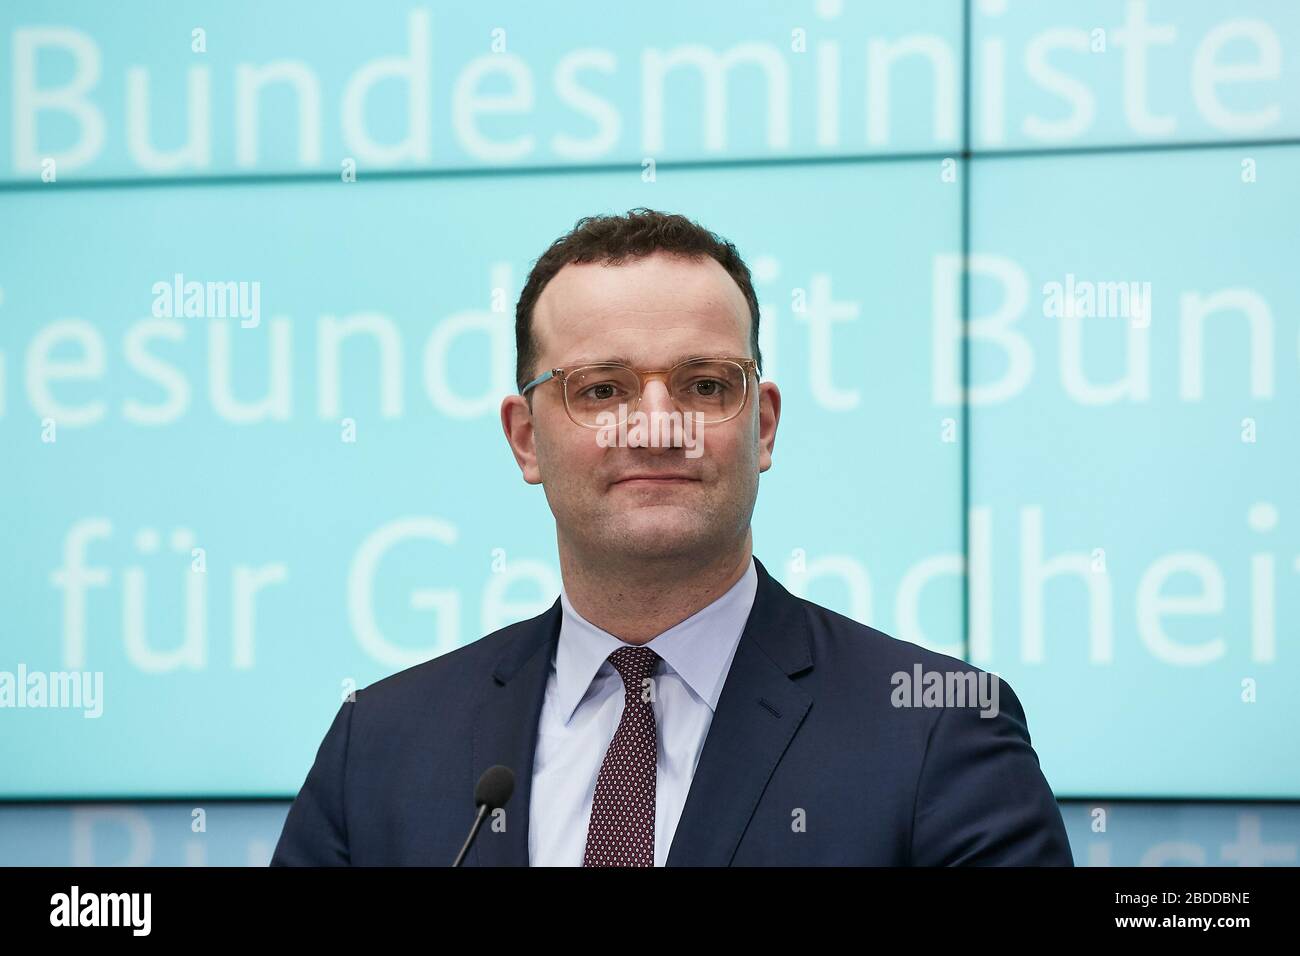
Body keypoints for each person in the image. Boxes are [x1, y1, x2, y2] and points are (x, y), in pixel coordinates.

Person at [271, 207, 1073, 866]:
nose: (657, 427)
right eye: (602, 388)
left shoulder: (939, 733)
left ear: (761, 428)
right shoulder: (378, 746)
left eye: (703, 385)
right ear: (525, 439)